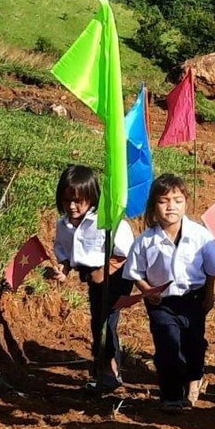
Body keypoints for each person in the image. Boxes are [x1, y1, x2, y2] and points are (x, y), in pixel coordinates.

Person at [123, 175, 215, 410]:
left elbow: (213, 269)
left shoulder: (200, 236)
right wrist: (147, 290)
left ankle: (193, 379)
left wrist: (209, 296)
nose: (171, 206)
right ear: (153, 205)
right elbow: (134, 272)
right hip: (161, 302)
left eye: (177, 200)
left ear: (186, 203)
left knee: (193, 345)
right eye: (164, 201)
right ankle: (171, 396)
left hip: (193, 299)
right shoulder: (145, 241)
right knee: (168, 344)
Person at [49, 163, 132, 394]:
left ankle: (110, 371)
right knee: (98, 321)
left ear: (92, 197)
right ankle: (105, 369)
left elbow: (124, 252)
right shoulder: (63, 225)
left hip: (115, 276)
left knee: (105, 321)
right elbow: (65, 254)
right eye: (67, 201)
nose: (72, 206)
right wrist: (62, 271)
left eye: (78, 201)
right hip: (93, 277)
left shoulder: (106, 221)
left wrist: (103, 271)